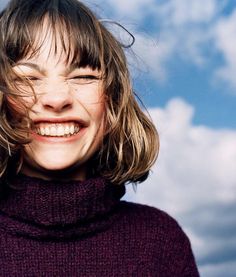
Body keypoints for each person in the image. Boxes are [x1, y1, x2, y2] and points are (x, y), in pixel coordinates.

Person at [0, 0, 200, 276]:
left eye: (83, 76)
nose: (57, 99)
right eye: (28, 78)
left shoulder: (160, 241)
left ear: (112, 102)